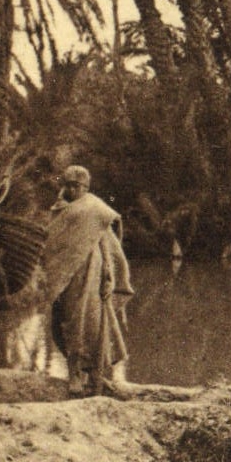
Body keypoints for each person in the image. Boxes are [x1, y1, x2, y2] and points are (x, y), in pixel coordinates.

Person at [43, 166, 133, 396]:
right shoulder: (60, 210)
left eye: (77, 186)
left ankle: (97, 377)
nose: (72, 190)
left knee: (95, 324)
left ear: (86, 187)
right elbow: (52, 245)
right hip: (69, 278)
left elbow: (108, 245)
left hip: (94, 273)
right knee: (71, 322)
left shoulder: (95, 209)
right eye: (68, 185)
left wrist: (109, 278)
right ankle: (74, 375)